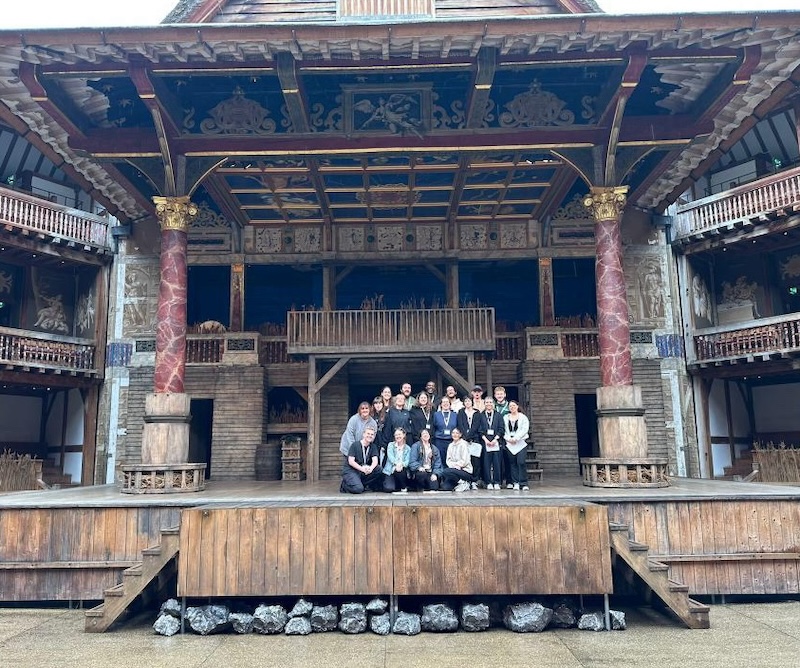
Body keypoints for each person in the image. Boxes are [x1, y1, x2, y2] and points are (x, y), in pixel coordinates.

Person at [340, 426, 382, 494]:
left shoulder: (373, 446)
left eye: (372, 434)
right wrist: (362, 469)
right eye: (368, 434)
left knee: (378, 469)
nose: (370, 436)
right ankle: (345, 485)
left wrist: (371, 468)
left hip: (363, 470)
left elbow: (375, 460)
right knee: (358, 489)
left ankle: (361, 484)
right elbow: (351, 461)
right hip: (352, 470)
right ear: (363, 434)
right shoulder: (355, 445)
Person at [504, 400, 531, 491]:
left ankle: (523, 483)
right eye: (510, 406)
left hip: (520, 443)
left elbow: (524, 429)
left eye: (514, 405)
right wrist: (509, 438)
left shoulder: (523, 417)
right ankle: (515, 482)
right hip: (509, 443)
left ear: (517, 406)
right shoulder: (505, 417)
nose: (512, 407)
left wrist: (516, 438)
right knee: (512, 463)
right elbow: (503, 430)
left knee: (521, 462)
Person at [457, 395, 483, 489]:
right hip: (463, 440)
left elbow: (476, 426)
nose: (467, 403)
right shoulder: (460, 412)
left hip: (475, 440)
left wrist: (470, 435)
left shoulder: (477, 413)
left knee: (475, 461)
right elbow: (460, 424)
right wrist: (465, 436)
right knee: (465, 460)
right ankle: (466, 480)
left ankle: (474, 481)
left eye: (469, 401)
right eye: (466, 401)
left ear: (472, 402)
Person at [480, 397, 505, 490]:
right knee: (486, 463)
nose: (488, 404)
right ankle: (488, 482)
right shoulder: (481, 415)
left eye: (490, 402)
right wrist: (486, 440)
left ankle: (497, 481)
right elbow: (480, 429)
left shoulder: (498, 415)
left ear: (493, 404)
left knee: (497, 463)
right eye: (487, 402)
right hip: (485, 441)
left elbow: (501, 428)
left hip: (496, 442)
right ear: (484, 403)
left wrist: (495, 439)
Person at [440, 427, 473, 492]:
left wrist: (459, 465)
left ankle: (464, 483)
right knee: (445, 487)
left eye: (457, 433)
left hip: (464, 470)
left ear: (460, 435)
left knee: (445, 471)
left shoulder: (463, 444)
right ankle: (460, 482)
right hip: (453, 470)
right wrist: (454, 466)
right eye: (453, 433)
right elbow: (448, 460)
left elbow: (465, 460)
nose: (455, 435)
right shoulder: (450, 445)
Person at [382, 427, 413, 493]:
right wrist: (397, 464)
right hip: (391, 469)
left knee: (400, 471)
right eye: (396, 435)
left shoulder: (408, 448)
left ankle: (403, 487)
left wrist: (401, 465)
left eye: (399, 434)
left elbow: (407, 461)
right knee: (388, 488)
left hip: (402, 469)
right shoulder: (390, 445)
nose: (398, 436)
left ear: (404, 435)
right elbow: (390, 457)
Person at [432, 396, 458, 463]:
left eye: (447, 402)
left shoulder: (455, 415)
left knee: (452, 458)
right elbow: (433, 427)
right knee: (440, 459)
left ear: (450, 404)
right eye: (443, 402)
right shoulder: (436, 415)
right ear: (440, 404)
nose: (445, 404)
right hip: (439, 440)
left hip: (452, 440)